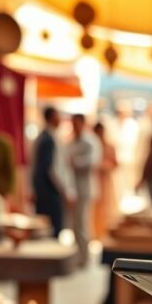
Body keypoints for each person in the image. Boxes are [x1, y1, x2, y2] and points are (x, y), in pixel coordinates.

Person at [31, 106, 75, 235]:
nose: (59, 120)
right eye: (57, 116)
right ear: (51, 118)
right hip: (50, 190)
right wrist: (64, 190)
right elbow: (52, 169)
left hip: (44, 189)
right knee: (53, 228)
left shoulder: (45, 137)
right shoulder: (48, 140)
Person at [67, 113, 102, 265]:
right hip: (74, 187)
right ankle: (79, 255)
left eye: (76, 123)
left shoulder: (90, 141)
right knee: (75, 224)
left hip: (85, 188)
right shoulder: (72, 142)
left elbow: (93, 162)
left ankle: (85, 257)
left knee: (82, 224)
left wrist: (75, 162)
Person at [92, 122, 119, 240]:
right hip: (94, 180)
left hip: (106, 181)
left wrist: (106, 166)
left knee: (107, 207)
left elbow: (116, 163)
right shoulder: (92, 146)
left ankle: (105, 232)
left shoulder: (109, 146)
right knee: (94, 208)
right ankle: (95, 232)